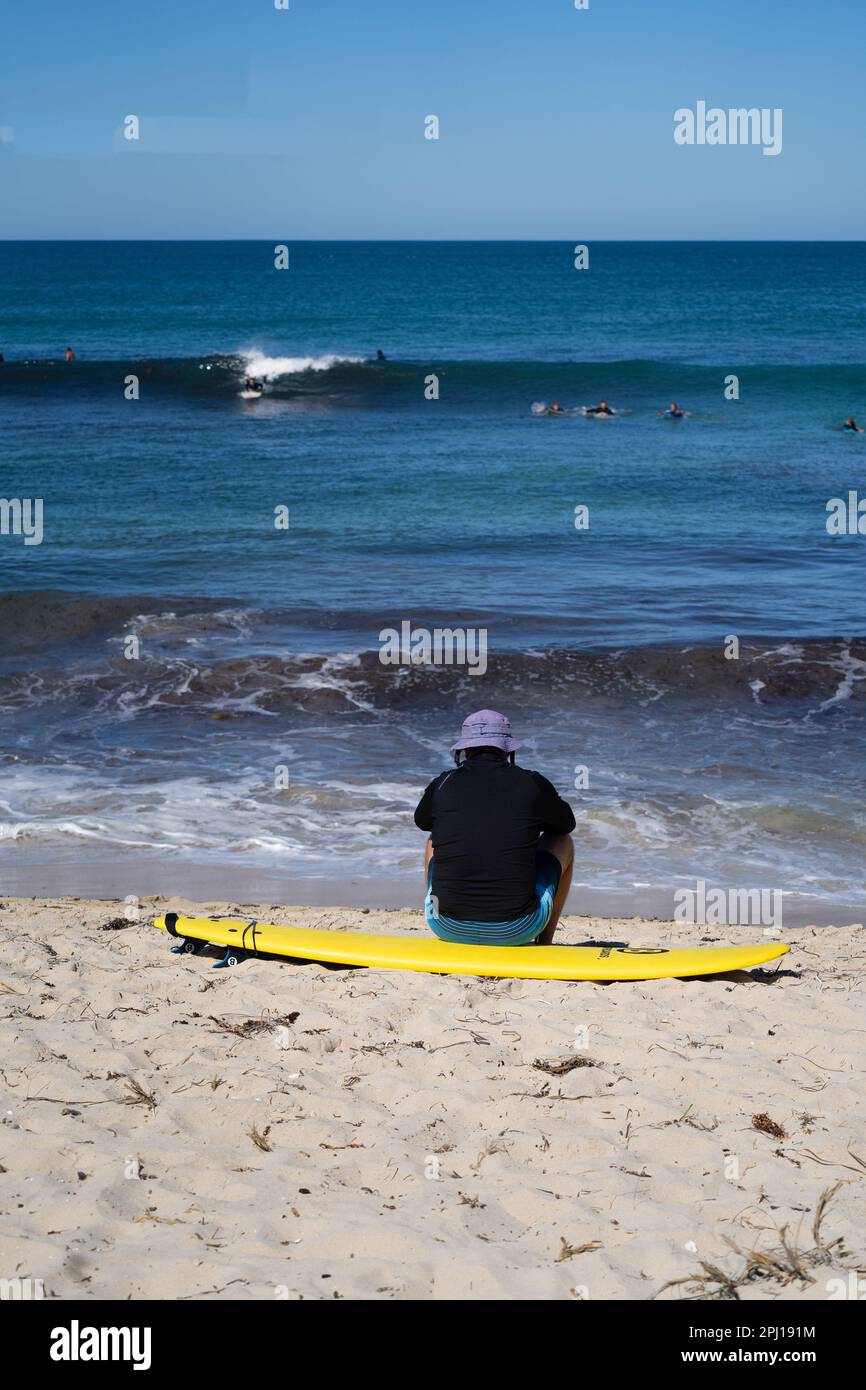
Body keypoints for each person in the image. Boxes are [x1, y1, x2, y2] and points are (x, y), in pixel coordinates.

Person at [414, 710, 575, 947]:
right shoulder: (532, 783)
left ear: (466, 750)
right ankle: (545, 942)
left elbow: (422, 821)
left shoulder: (443, 783)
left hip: (445, 925)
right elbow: (565, 825)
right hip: (517, 928)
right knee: (563, 841)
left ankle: (443, 905)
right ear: (508, 750)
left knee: (432, 839)